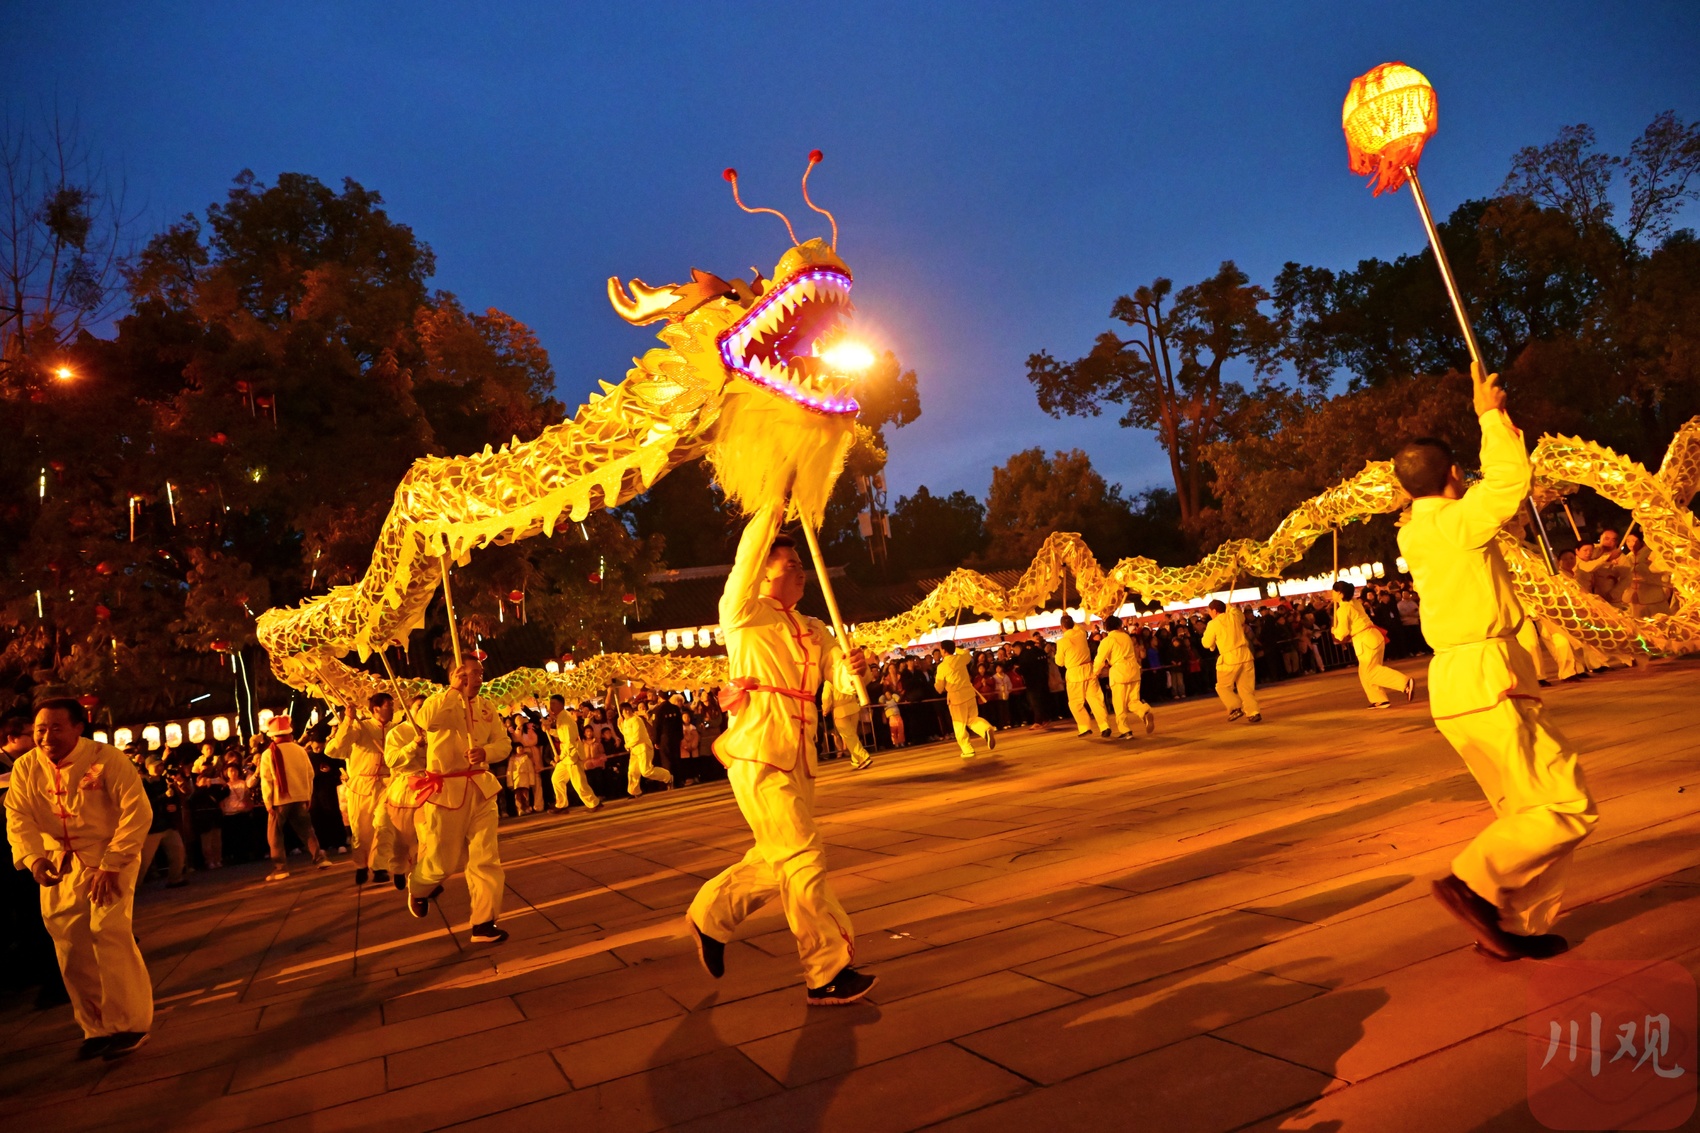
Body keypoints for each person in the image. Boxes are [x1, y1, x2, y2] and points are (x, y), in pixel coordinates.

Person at [1392, 362, 1597, 960]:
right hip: (1488, 677)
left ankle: (1511, 924)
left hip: (1457, 685)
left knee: (1526, 813)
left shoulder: (1415, 531)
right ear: (1455, 474)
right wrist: (1489, 414)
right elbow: (1509, 480)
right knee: (1563, 805)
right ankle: (1473, 885)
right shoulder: (1456, 523)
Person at [686, 504, 876, 1006]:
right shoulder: (744, 614)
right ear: (764, 574)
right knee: (803, 855)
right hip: (758, 750)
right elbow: (747, 556)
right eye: (788, 564)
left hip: (801, 754)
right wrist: (773, 500)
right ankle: (826, 970)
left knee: (780, 856)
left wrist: (855, 667)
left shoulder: (815, 627)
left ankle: (711, 914)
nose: (799, 571)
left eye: (799, 564)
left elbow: (840, 677)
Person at [5, 700, 154, 1060]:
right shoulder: (26, 767)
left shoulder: (106, 759)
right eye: (40, 729)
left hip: (108, 855)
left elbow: (136, 812)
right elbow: (18, 815)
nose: (46, 737)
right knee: (70, 943)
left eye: (56, 728)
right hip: (59, 860)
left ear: (78, 728)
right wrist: (33, 857)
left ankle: (130, 1024)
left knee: (109, 933)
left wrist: (112, 864)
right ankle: (96, 1027)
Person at [408, 658, 510, 943]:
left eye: (480, 673)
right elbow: (425, 722)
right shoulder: (439, 702)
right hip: (446, 791)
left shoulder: (487, 707)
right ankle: (418, 887)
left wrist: (486, 752)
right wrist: (453, 691)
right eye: (472, 673)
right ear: (456, 674)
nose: (478, 678)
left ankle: (483, 923)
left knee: (486, 857)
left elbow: (503, 743)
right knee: (443, 862)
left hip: (481, 788)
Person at [325, 693, 395, 886]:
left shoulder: (395, 729)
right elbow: (335, 748)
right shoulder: (361, 726)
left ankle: (380, 867)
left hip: (387, 785)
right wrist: (348, 720)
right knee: (360, 832)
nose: (393, 708)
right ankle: (361, 865)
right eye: (389, 705)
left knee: (384, 825)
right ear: (376, 709)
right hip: (361, 786)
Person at [257, 716, 329, 881]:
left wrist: (268, 801)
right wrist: (307, 795)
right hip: (300, 796)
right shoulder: (299, 750)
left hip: (279, 799)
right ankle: (320, 859)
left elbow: (266, 780)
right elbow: (310, 774)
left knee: (275, 834)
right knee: (307, 830)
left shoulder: (268, 753)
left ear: (272, 735)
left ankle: (280, 868)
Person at [1331, 580, 1415, 709]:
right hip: (1371, 637)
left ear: (1340, 593)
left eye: (1334, 591)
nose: (1332, 593)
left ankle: (1404, 683)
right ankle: (1379, 699)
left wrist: (1334, 631)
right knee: (1365, 673)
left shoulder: (1344, 609)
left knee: (1371, 671)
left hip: (1366, 640)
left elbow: (1342, 632)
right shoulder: (1354, 603)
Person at [373, 693, 428, 887]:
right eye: (419, 707)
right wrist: (413, 746)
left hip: (431, 787)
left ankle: (423, 877)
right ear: (409, 710)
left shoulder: (436, 730)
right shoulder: (397, 733)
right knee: (402, 837)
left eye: (426, 707)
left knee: (427, 834)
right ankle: (398, 867)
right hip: (405, 788)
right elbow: (392, 760)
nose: (423, 710)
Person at [1092, 615, 1155, 739]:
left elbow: (1100, 659)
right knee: (1133, 701)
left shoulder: (1108, 640)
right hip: (1134, 670)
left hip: (1119, 671)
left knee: (1119, 703)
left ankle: (1125, 730)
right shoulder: (1126, 637)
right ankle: (1144, 711)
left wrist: (1095, 672)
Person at [933, 640, 995, 759]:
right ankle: (985, 729)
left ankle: (967, 749)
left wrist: (936, 682)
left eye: (941, 649)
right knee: (972, 719)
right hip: (969, 694)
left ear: (944, 650)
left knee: (959, 724)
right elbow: (967, 654)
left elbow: (939, 688)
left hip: (956, 698)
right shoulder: (960, 659)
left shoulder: (942, 666)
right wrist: (955, 648)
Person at [1201, 599, 1260, 723]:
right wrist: (1231, 608)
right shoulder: (1234, 616)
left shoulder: (1214, 623)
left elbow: (1206, 643)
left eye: (1209, 611)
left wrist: (1213, 642)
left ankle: (1235, 707)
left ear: (1214, 611)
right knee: (1246, 688)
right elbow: (1241, 617)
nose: (1209, 613)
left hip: (1230, 657)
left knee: (1222, 687)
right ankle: (1253, 712)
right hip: (1245, 655)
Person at [1054, 614, 1111, 738]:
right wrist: (1068, 619)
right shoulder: (1081, 634)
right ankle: (1104, 725)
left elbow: (1059, 662)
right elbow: (1078, 627)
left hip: (1074, 673)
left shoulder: (1062, 642)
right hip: (1088, 670)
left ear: (1062, 626)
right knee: (1096, 699)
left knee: (1075, 703)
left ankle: (1084, 727)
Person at [618, 693, 673, 797]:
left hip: (643, 747)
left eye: (628, 709)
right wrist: (620, 726)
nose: (627, 711)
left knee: (646, 771)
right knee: (632, 771)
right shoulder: (625, 722)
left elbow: (637, 736)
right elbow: (626, 735)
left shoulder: (636, 720)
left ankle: (668, 777)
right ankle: (635, 791)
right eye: (624, 710)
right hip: (634, 749)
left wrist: (627, 745)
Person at [549, 710, 602, 813]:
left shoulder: (567, 721)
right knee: (556, 779)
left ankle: (593, 803)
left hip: (572, 755)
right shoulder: (561, 720)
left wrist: (560, 757)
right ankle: (561, 804)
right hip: (566, 758)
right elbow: (562, 735)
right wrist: (549, 730)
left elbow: (570, 743)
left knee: (579, 783)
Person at [824, 662, 873, 770]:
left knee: (849, 737)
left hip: (840, 711)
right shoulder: (847, 676)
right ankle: (856, 759)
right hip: (853, 708)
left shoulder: (829, 681)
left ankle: (863, 756)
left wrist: (825, 708)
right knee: (852, 736)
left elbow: (826, 697)